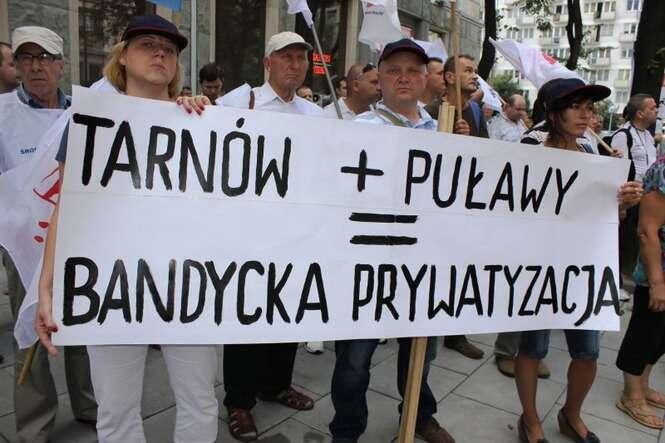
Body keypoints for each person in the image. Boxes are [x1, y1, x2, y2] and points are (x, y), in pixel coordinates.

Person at [35, 15, 219, 443]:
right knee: (115, 411)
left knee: (200, 401)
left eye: (169, 50)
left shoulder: (200, 120)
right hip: (111, 284)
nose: (160, 54)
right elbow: (67, 207)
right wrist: (46, 288)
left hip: (188, 283)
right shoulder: (91, 120)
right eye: (148, 45)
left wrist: (205, 120)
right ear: (123, 57)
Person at [329, 39, 454, 443]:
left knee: (420, 351)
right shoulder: (358, 130)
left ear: (426, 79)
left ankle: (419, 413)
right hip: (368, 261)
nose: (404, 77)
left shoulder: (445, 131)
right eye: (393, 70)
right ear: (379, 79)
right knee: (355, 358)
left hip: (423, 263)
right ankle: (346, 431)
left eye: (413, 70)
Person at [515, 77, 643, 443]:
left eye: (589, 108)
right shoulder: (530, 146)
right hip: (538, 265)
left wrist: (622, 202)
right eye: (576, 107)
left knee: (587, 352)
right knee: (533, 348)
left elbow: (603, 216)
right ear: (553, 111)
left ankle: (571, 414)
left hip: (583, 267)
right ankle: (530, 419)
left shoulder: (590, 151)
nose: (585, 115)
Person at [218, 31, 322, 442]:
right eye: (286, 57)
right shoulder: (238, 102)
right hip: (247, 234)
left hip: (296, 234)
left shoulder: (315, 114)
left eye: (301, 58)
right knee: (246, 318)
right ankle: (239, 402)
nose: (295, 65)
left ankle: (277, 384)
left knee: (287, 311)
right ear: (268, 63)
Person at [0, 25, 98, 443]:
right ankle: (34, 425)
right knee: (30, 330)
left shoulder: (85, 110)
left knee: (83, 322)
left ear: (61, 65)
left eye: (44, 58)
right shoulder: (2, 113)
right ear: (17, 65)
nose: (36, 66)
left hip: (79, 237)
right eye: (26, 58)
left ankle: (89, 403)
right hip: (25, 244)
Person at [488, 93, 550, 379]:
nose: (586, 114)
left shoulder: (583, 142)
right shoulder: (535, 138)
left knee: (546, 294)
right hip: (530, 229)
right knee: (523, 289)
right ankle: (506, 350)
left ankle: (534, 352)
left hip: (559, 235)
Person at [438, 54, 487, 360]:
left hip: (467, 205)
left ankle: (456, 333)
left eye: (475, 70)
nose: (474, 75)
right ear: (449, 77)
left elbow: (487, 153)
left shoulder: (476, 112)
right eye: (467, 70)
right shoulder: (434, 110)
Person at [615, 154, 665, 430]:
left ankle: (643, 384)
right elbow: (647, 229)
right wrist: (657, 282)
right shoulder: (664, 169)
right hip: (658, 271)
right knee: (646, 329)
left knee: (661, 334)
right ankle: (631, 394)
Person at [610, 94, 659, 182]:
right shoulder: (623, 135)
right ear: (640, 114)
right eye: (652, 108)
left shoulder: (648, 135)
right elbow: (620, 171)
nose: (656, 110)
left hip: (648, 189)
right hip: (632, 189)